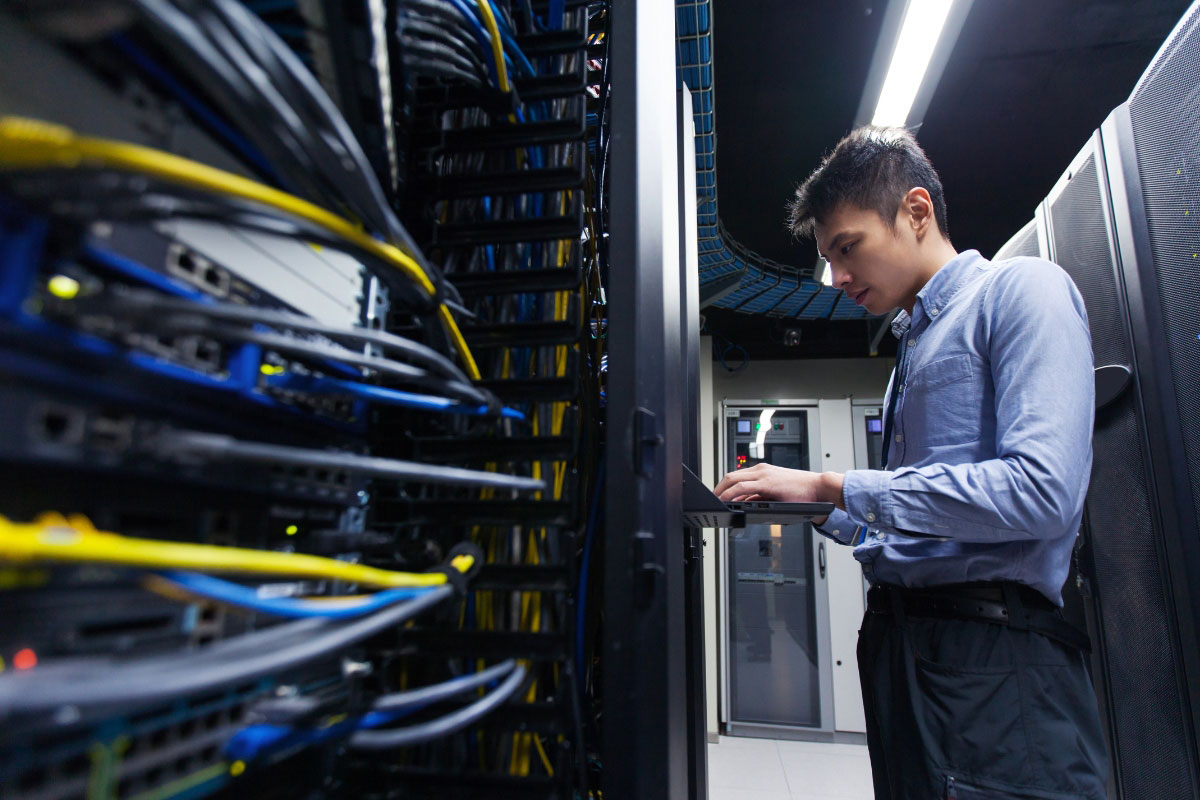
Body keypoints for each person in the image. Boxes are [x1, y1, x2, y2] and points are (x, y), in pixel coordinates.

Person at [714, 127, 1108, 799]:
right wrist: (814, 507)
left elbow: (1041, 492)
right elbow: (921, 525)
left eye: (847, 249)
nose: (836, 279)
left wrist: (834, 483)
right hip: (907, 650)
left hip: (994, 655)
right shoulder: (912, 354)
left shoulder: (1021, 293)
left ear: (916, 213)